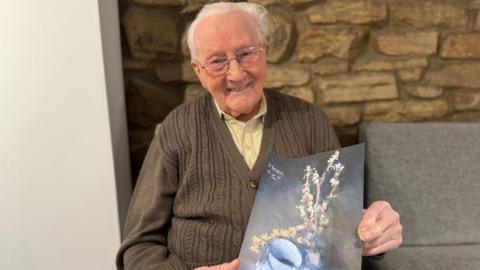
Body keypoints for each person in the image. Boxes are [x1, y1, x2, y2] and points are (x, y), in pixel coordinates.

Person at [116, 2, 403, 270]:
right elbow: (138, 247)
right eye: (217, 61)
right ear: (199, 71)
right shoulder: (177, 130)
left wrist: (373, 234)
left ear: (263, 51)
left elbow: (339, 225)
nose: (237, 74)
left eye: (246, 54)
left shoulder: (310, 121)